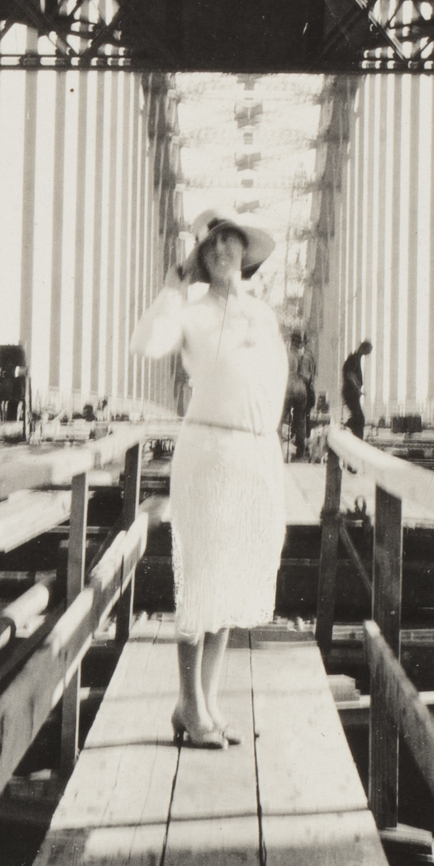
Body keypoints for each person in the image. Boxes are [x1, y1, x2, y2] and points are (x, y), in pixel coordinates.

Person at [131, 209, 287, 749]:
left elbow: (275, 383)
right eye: (213, 244)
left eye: (232, 242)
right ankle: (188, 704)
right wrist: (172, 292)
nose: (223, 250)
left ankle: (207, 700)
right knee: (199, 577)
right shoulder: (190, 310)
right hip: (207, 452)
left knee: (234, 577)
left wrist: (269, 450)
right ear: (202, 257)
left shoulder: (263, 317)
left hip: (252, 454)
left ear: (246, 255)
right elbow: (149, 345)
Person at [283, 331, 308, 460]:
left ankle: (277, 446)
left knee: (281, 417)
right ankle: (300, 452)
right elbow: (306, 376)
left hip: (288, 389)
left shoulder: (287, 355)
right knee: (300, 420)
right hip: (300, 390)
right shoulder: (303, 356)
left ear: (291, 341)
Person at [341, 340, 372, 439]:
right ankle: (345, 433)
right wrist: (357, 387)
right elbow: (350, 375)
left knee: (358, 418)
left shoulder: (355, 358)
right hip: (350, 392)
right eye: (368, 351)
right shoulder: (354, 358)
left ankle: (347, 433)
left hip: (352, 393)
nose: (368, 354)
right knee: (359, 419)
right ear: (363, 348)